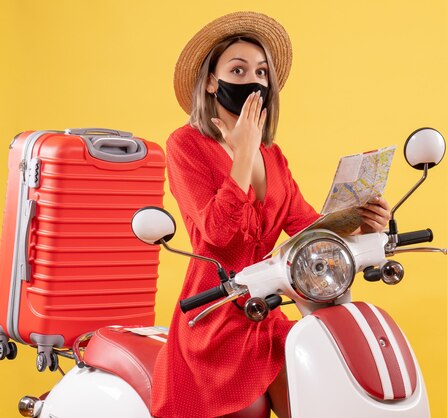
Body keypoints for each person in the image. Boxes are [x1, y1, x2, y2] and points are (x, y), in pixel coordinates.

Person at [151, 11, 392, 418]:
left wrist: (363, 224)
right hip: (216, 314)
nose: (251, 80)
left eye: (261, 72)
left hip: (269, 309)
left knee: (322, 385)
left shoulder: (273, 156)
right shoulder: (185, 145)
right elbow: (215, 236)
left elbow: (307, 229)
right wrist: (242, 153)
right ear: (211, 81)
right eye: (238, 69)